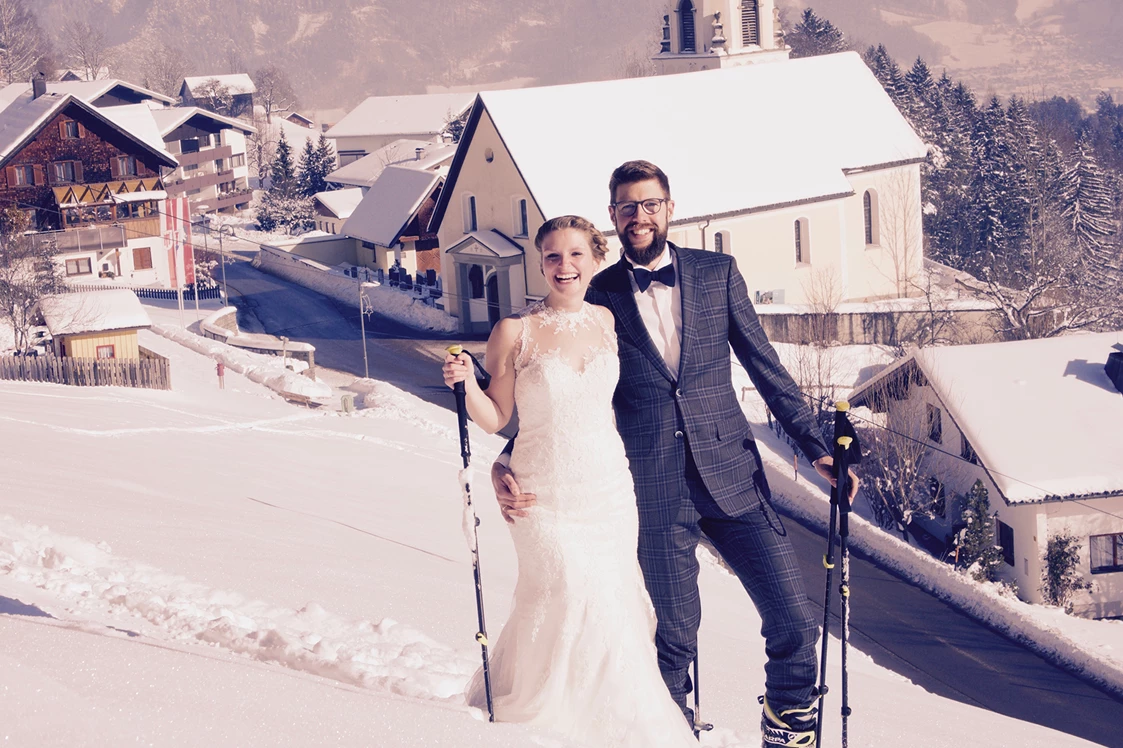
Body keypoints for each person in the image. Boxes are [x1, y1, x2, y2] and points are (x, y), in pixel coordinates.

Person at [491, 161, 858, 748]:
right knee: (670, 637)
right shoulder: (599, 295)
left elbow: (766, 367)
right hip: (651, 488)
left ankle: (788, 735)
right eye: (627, 207)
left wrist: (815, 445)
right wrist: (505, 460)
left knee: (793, 619)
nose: (640, 216)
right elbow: (564, 392)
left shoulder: (718, 274)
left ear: (669, 207)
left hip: (734, 476)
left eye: (650, 204)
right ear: (612, 215)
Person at [443, 216, 698, 747]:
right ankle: (537, 728)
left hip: (608, 491)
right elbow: (496, 416)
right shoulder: (515, 331)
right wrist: (467, 384)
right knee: (562, 593)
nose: (565, 266)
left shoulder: (606, 320)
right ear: (540, 263)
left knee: (613, 604)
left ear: (595, 259)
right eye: (553, 256)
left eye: (576, 255)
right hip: (542, 495)